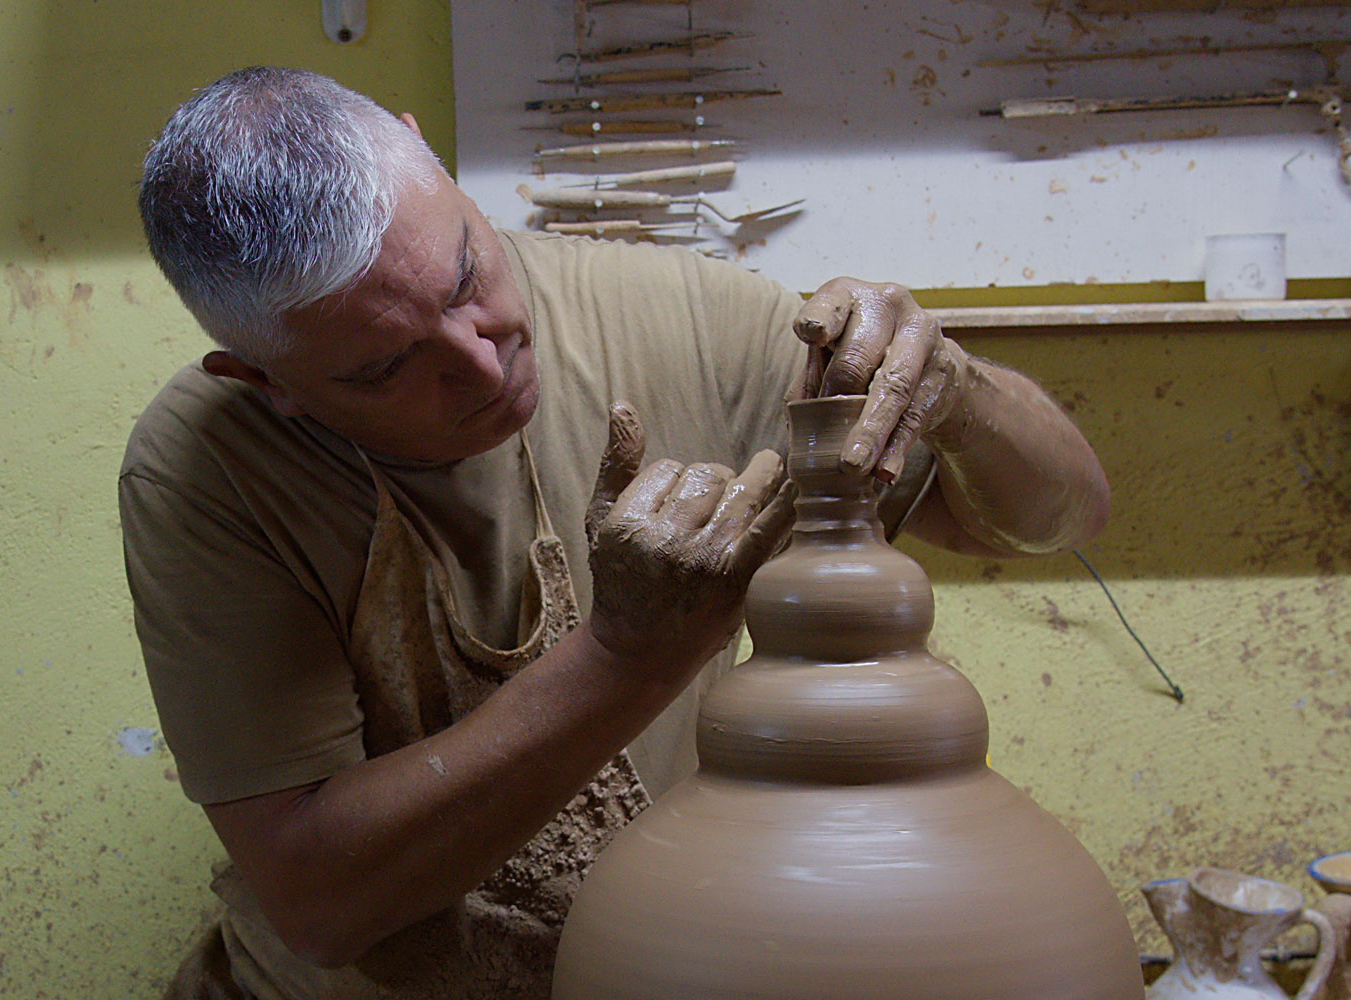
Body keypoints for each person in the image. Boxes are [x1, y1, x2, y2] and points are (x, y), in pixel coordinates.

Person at [123, 66, 1110, 1000]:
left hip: (664, 965)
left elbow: (1056, 515)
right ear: (270, 384)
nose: (481, 362)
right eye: (386, 367)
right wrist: (629, 655)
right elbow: (320, 901)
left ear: (434, 162)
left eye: (466, 276)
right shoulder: (209, 471)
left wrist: (961, 394)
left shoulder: (681, 316)